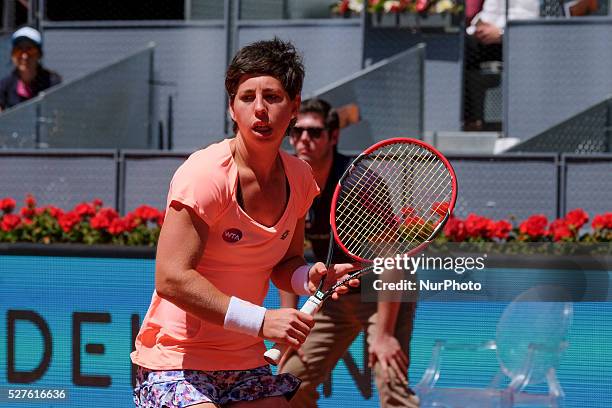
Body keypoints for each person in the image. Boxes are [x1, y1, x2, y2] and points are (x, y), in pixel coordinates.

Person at [130, 39, 359, 408]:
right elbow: (171, 278)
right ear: (232, 109)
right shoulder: (204, 174)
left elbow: (285, 262)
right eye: (247, 97)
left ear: (294, 107)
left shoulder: (299, 178)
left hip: (244, 362)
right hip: (175, 361)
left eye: (272, 97)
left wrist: (309, 278)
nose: (260, 110)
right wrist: (262, 320)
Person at [279, 98, 419, 408]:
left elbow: (390, 260)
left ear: (333, 137)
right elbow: (287, 258)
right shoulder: (288, 180)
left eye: (314, 133)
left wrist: (383, 333)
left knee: (391, 385)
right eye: (297, 132)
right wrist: (288, 328)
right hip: (336, 294)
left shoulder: (361, 182)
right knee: (288, 384)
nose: (304, 140)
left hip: (383, 292)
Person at [463, 0, 538, 131]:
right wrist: (478, 26)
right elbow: (489, 13)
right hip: (491, 35)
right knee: (464, 45)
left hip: (521, 38)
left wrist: (502, 33)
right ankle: (471, 120)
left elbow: (532, 18)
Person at [0, 27, 61, 111]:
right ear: (12, 55)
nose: (24, 56)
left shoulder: (52, 82)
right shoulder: (4, 86)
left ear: (39, 55)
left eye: (30, 50)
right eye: (19, 50)